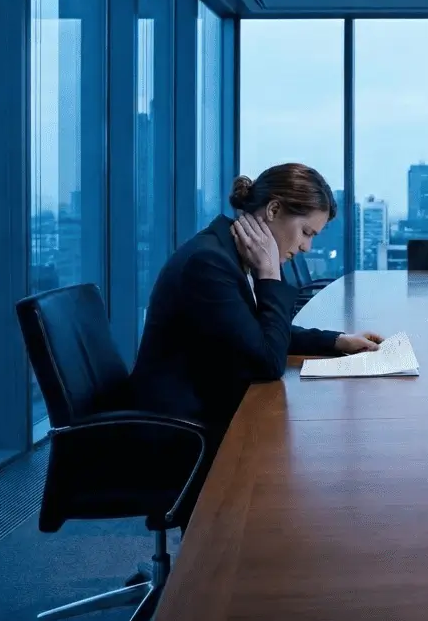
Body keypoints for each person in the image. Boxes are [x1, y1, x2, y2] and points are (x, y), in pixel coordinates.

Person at [131, 163, 383, 432]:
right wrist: (270, 274)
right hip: (179, 432)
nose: (306, 247)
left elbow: (255, 331)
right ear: (273, 210)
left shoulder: (227, 251)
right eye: (306, 232)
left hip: (207, 409)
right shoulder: (208, 263)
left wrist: (337, 341)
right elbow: (267, 362)